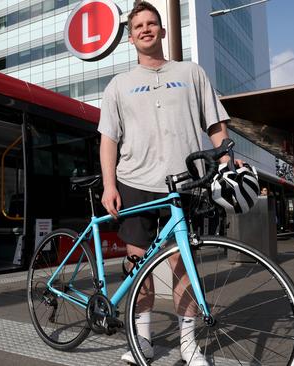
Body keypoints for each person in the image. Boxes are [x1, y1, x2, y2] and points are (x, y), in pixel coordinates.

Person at [98, 2, 236, 365]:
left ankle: (189, 344)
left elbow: (216, 125)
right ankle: (143, 340)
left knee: (182, 265)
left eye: (151, 23)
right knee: (137, 264)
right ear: (130, 38)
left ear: (161, 30)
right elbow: (109, 139)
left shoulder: (191, 72)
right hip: (134, 182)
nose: (145, 29)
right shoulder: (118, 85)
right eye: (138, 25)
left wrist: (226, 165)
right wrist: (109, 185)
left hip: (184, 184)